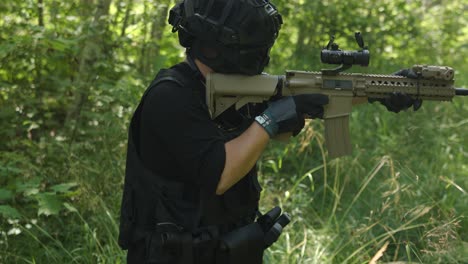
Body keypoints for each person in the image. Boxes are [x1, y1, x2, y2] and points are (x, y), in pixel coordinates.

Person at [117, 0, 422, 263]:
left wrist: (381, 91)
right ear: (221, 45)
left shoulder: (234, 87)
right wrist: (271, 120)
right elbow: (220, 173)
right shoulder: (171, 97)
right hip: (172, 255)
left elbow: (312, 94)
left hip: (226, 249)